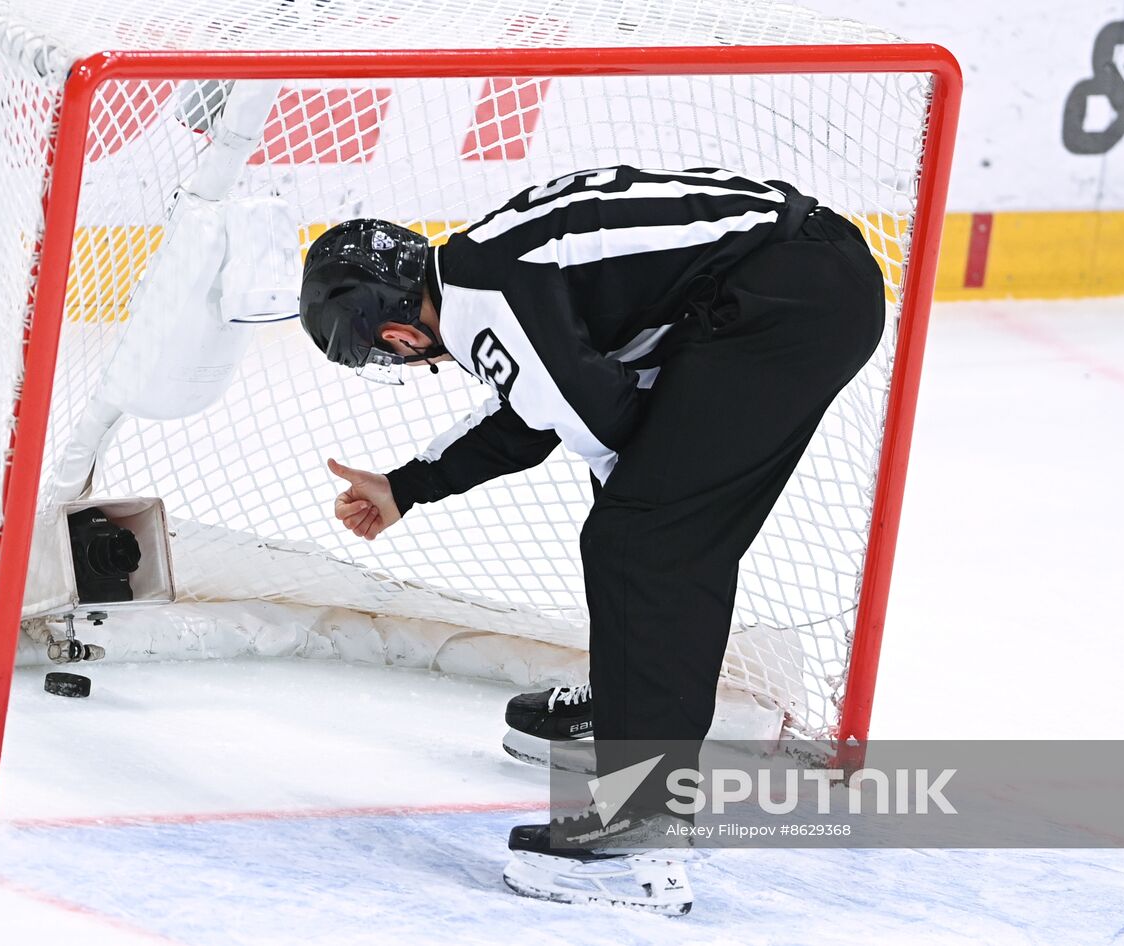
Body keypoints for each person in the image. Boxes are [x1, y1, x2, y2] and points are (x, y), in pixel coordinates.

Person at [298, 166, 885, 914]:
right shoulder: (486, 265)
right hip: (795, 283)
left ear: (397, 333)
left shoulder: (482, 302)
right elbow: (539, 404)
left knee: (643, 541)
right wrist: (408, 484)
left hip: (783, 301)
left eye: (391, 353)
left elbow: (590, 421)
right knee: (645, 524)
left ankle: (638, 832)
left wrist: (655, 507)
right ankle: (630, 713)